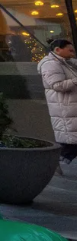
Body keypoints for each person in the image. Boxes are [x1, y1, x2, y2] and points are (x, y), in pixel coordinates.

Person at [40, 38, 77, 171]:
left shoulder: (66, 62)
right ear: (57, 50)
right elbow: (58, 85)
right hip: (65, 109)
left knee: (71, 142)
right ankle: (55, 163)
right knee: (70, 143)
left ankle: (57, 163)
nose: (73, 52)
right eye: (70, 50)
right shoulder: (51, 64)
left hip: (71, 108)